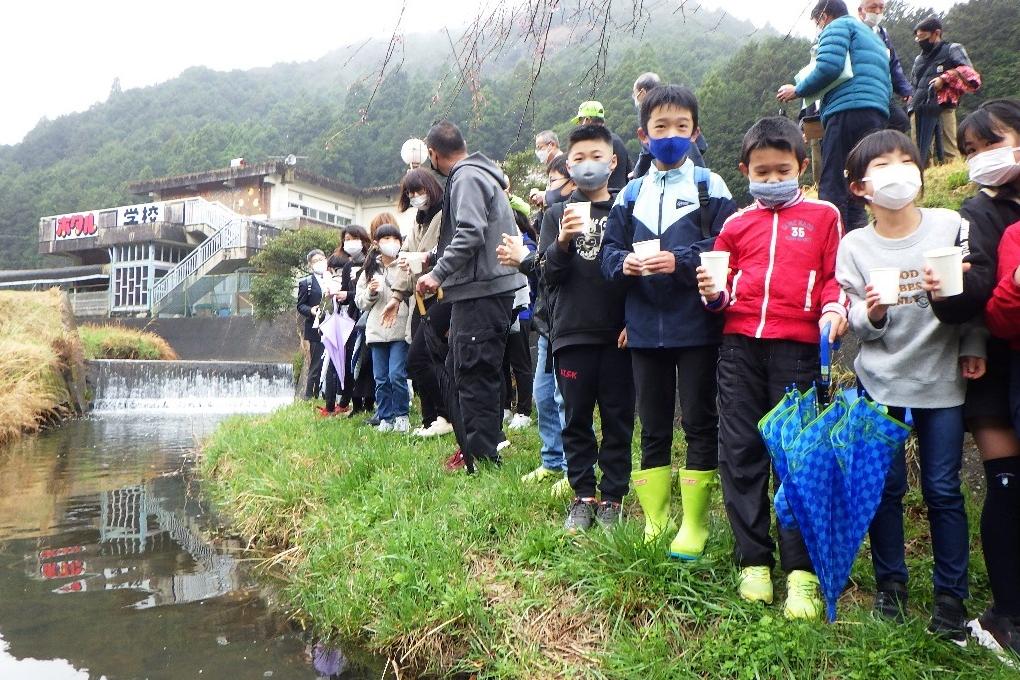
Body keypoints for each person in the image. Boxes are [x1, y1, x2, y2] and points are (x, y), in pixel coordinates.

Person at [837, 129, 986, 645]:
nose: (899, 171)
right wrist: (871, 313)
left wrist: (974, 346)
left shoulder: (949, 226)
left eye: (907, 160)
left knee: (944, 490)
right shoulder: (855, 245)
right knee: (886, 490)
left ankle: (951, 599)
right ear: (859, 187)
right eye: (884, 164)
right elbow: (856, 318)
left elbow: (972, 292)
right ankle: (891, 587)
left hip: (942, 381)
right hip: (882, 383)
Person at [698, 116, 848, 619]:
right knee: (739, 452)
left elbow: (833, 277)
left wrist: (833, 308)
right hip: (739, 348)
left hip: (798, 350)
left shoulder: (825, 215)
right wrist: (714, 296)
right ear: (745, 171)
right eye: (761, 172)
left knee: (797, 459)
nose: (771, 179)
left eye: (782, 169)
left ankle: (801, 573)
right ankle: (753, 561)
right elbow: (721, 285)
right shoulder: (736, 224)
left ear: (801, 167)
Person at [600, 85, 736, 558]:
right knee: (652, 424)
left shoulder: (710, 185)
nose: (672, 136)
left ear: (695, 132)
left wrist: (678, 261)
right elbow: (607, 253)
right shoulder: (630, 193)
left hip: (696, 326)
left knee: (699, 421)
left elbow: (726, 244)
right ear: (643, 136)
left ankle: (694, 524)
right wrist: (625, 267)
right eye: (661, 128)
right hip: (643, 329)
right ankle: (656, 522)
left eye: (682, 127)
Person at [924, 99, 1020, 657]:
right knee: (1007, 484)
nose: (984, 157)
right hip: (993, 364)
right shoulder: (975, 212)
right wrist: (950, 290)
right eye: (971, 150)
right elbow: (967, 298)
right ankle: (1006, 614)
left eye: (995, 141)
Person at [416, 120, 527, 473]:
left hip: (481, 291)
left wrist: (436, 273)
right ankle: (478, 451)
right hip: (483, 290)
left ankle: (483, 461)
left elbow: (470, 232)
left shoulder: (465, 177)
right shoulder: (481, 173)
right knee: (463, 370)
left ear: (433, 154)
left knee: (473, 371)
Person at [540, 123, 634, 533]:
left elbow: (636, 271)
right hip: (571, 333)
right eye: (578, 159)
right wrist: (561, 241)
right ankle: (583, 494)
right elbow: (548, 276)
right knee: (575, 419)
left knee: (618, 418)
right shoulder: (556, 214)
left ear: (612, 162)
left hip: (617, 335)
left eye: (596, 156)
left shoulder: (626, 212)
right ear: (568, 164)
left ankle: (612, 497)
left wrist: (635, 321)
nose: (587, 165)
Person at [777, 0, 891, 232]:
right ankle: (859, 235)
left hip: (846, 109)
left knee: (833, 180)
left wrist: (797, 90)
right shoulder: (874, 38)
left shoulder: (837, 27)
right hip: (876, 111)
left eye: (817, 22)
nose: (819, 28)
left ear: (824, 16)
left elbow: (829, 66)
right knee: (858, 178)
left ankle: (832, 240)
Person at [497, 166, 571, 493]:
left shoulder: (586, 217)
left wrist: (525, 258)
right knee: (543, 393)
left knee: (566, 397)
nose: (549, 189)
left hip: (572, 324)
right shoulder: (552, 217)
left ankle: (575, 466)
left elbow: (554, 268)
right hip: (547, 322)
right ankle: (552, 459)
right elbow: (544, 268)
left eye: (556, 181)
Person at [397, 168, 453, 437]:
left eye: (419, 191)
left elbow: (423, 255)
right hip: (421, 296)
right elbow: (407, 255)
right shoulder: (418, 219)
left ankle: (445, 415)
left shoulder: (444, 214)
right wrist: (398, 294)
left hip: (440, 294)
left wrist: (414, 260)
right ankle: (430, 417)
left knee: (420, 358)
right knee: (423, 359)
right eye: (411, 193)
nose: (415, 197)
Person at [355, 224, 413, 433]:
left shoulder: (405, 264)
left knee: (396, 374)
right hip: (377, 330)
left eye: (395, 238)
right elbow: (360, 302)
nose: (391, 243)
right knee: (380, 377)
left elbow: (414, 290)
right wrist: (370, 293)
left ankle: (402, 415)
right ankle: (386, 417)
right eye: (386, 239)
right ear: (376, 244)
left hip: (399, 327)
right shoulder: (369, 269)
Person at [909, 16, 979, 168]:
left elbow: (969, 73)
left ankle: (951, 176)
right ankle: (924, 179)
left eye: (923, 37)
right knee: (920, 149)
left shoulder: (952, 48)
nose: (920, 41)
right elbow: (913, 83)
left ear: (936, 33)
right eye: (917, 38)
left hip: (944, 103)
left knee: (949, 146)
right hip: (919, 106)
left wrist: (945, 78)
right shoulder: (918, 59)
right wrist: (910, 102)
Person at [631, 73, 707, 176]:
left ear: (641, 92)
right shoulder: (679, 106)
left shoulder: (652, 118)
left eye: (634, 94)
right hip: (697, 172)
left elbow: (646, 152)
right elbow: (702, 146)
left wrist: (636, 175)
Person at [501, 208, 536, 431]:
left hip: (521, 313)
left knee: (520, 363)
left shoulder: (527, 247)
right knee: (502, 362)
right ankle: (504, 406)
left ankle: (524, 410)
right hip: (503, 311)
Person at [336, 226, 376, 417]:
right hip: (352, 318)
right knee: (353, 359)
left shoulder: (372, 262)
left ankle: (369, 401)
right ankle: (356, 402)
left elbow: (370, 290)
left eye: (353, 238)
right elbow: (346, 291)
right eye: (346, 239)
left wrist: (349, 294)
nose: (349, 242)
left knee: (367, 360)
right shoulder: (346, 266)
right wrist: (340, 296)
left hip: (369, 316)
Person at [857, 0, 912, 134]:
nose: (877, 11)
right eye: (872, 7)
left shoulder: (883, 34)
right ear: (860, 10)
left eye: (881, 7)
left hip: (883, 92)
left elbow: (893, 65)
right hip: (862, 92)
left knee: (901, 121)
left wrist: (906, 90)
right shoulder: (853, 31)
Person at [319, 252, 353, 416]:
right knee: (346, 367)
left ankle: (332, 406)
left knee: (333, 368)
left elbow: (325, 310)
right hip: (349, 328)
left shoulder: (331, 285)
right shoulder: (348, 282)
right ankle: (341, 403)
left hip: (336, 330)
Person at [572, 101, 632, 191]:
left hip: (602, 200)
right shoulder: (617, 141)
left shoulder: (595, 144)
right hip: (621, 197)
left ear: (587, 120)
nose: (580, 126)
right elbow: (629, 171)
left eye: (580, 121)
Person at [297, 249, 329, 400]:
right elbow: (300, 305)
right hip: (315, 328)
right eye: (315, 261)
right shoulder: (306, 283)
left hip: (333, 325)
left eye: (321, 259)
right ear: (310, 265)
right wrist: (311, 310)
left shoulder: (333, 279)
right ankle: (310, 396)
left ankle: (328, 396)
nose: (319, 263)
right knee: (316, 363)